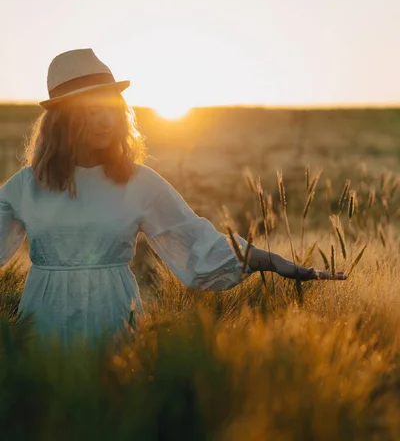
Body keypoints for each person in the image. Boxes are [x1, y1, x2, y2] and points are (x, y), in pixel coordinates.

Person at [0, 48, 346, 349]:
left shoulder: (139, 182)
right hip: (43, 322)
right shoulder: (26, 186)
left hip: (113, 318)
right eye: (90, 109)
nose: (105, 118)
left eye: (110, 106)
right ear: (64, 119)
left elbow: (196, 241)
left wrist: (269, 260)